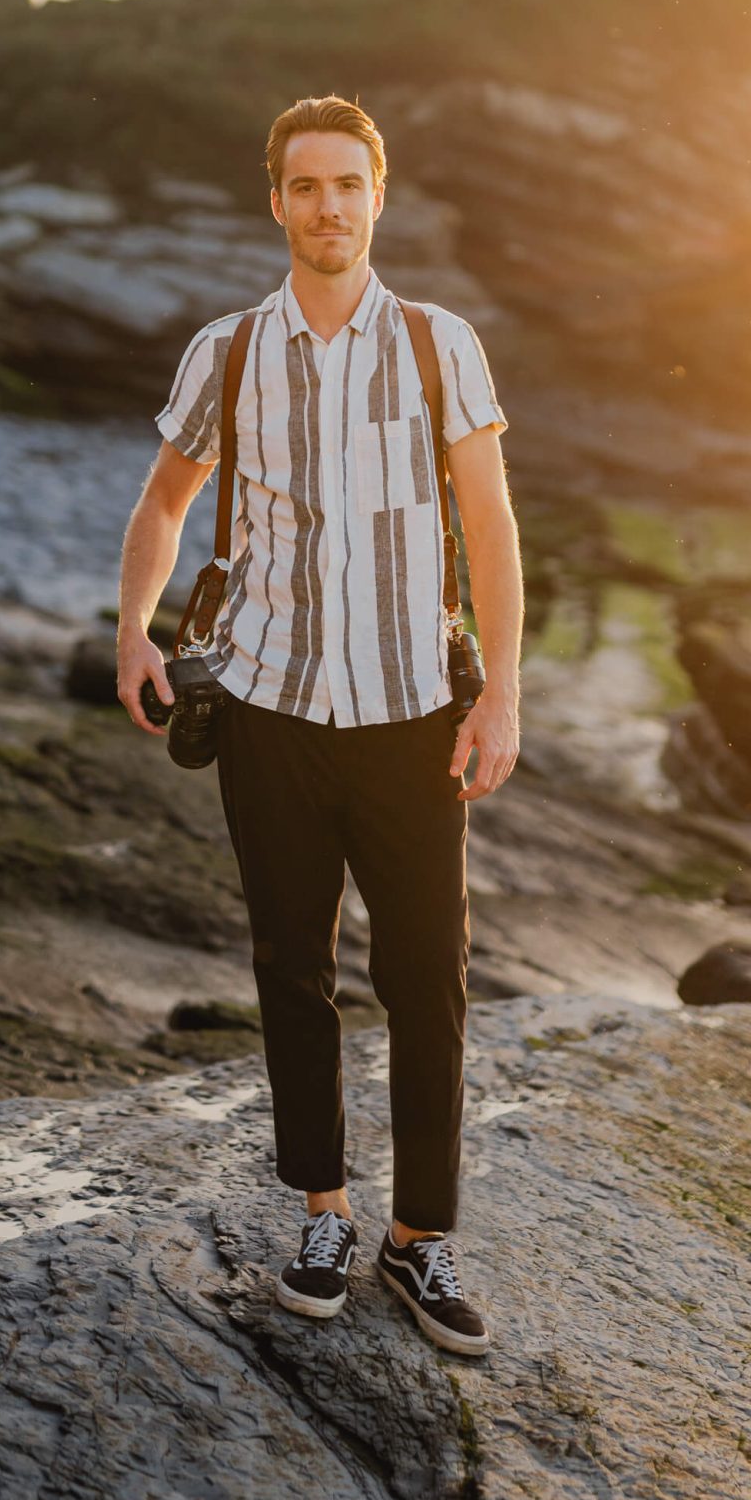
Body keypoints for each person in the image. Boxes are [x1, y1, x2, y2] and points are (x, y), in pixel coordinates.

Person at [116, 94, 523, 1357]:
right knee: (291, 974)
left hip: (413, 714)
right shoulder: (227, 352)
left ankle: (421, 1240)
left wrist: (501, 689)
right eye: (305, 186)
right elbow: (164, 499)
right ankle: (324, 1216)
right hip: (272, 712)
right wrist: (133, 625)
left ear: (376, 196)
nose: (327, 207)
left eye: (347, 184)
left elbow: (492, 527)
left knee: (427, 984)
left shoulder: (438, 344)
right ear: (275, 199)